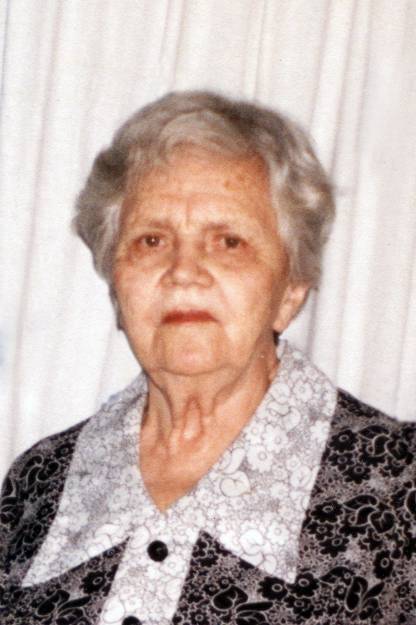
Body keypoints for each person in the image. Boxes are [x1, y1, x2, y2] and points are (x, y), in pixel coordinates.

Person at [1, 91, 415, 625]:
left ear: (291, 289)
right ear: (117, 286)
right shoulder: (40, 481)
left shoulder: (398, 486)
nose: (183, 272)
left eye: (228, 242)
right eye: (151, 240)